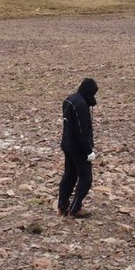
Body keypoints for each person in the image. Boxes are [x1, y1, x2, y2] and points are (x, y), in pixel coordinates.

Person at [58, 78, 99, 218]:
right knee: (86, 178)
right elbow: (82, 130)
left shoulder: (69, 100)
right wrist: (88, 150)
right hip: (78, 148)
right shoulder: (81, 105)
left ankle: (62, 206)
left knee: (69, 175)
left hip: (67, 144)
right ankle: (75, 209)